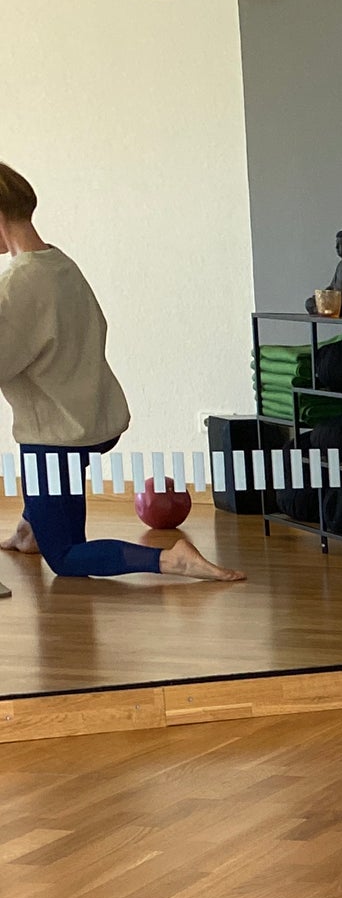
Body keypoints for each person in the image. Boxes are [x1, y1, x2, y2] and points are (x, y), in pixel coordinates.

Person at [0, 161, 241, 583]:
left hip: (56, 438)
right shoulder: (60, 264)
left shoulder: (18, 284)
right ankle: (30, 528)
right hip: (95, 419)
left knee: (66, 557)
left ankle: (171, 559)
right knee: (51, 489)